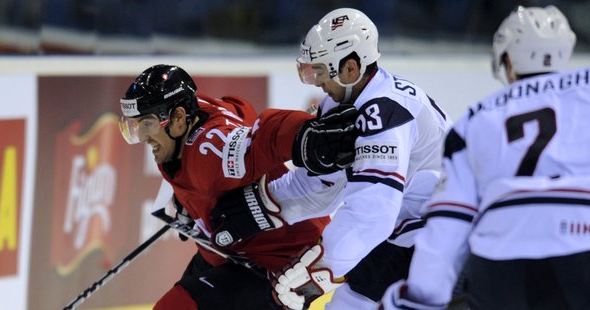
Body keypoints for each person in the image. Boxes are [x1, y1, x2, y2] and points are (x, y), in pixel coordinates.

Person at [210, 7, 451, 310]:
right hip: (410, 229)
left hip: (445, 231)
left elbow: (373, 210)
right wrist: (255, 205)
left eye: (321, 71)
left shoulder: (385, 112)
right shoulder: (342, 103)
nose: (316, 81)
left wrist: (321, 271)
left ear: (351, 68)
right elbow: (321, 187)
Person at [379, 5, 590, 310]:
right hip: (580, 247)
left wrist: (419, 299)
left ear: (507, 60)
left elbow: (449, 222)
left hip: (502, 262)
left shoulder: (475, 119)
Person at [117, 64, 330, 310]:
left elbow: (267, 138)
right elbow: (242, 109)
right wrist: (189, 201)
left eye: (147, 125)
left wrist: (309, 132)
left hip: (282, 266)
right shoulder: (198, 110)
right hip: (236, 251)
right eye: (135, 127)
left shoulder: (211, 155)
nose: (142, 137)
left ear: (176, 118)